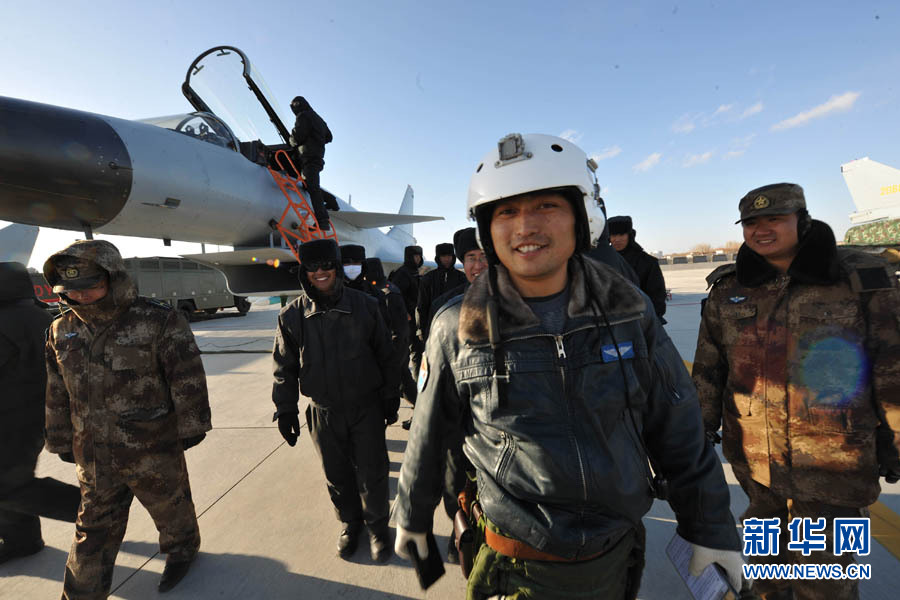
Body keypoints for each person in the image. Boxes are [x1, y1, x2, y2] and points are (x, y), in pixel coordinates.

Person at [392, 133, 743, 599]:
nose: (525, 227)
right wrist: (413, 517)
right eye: (507, 212)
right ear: (486, 229)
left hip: (614, 553)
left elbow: (678, 425)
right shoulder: (457, 326)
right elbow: (429, 435)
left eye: (546, 207)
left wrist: (710, 525)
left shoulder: (628, 310)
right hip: (515, 561)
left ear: (581, 219)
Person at [693, 183, 900, 600]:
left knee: (827, 580)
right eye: (752, 222)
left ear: (801, 220)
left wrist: (895, 441)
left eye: (775, 219)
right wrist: (696, 435)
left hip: (835, 460)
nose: (761, 230)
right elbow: (709, 369)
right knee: (767, 569)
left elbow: (891, 363)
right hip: (755, 462)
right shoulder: (729, 287)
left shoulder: (860, 276)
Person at [43, 240, 211, 597]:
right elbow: (58, 390)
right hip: (92, 453)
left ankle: (183, 549)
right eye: (71, 289)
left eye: (90, 286)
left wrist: (192, 424)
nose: (81, 296)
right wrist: (59, 438)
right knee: (91, 532)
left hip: (151, 446)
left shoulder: (157, 320)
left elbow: (187, 374)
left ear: (114, 278)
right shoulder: (61, 330)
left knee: (171, 509)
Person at [272, 239, 400, 563]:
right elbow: (283, 368)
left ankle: (378, 529)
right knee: (337, 475)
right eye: (312, 267)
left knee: (372, 473)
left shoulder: (366, 306)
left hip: (365, 406)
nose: (320, 272)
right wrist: (285, 410)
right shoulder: (292, 316)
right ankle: (349, 524)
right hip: (323, 411)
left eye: (327, 265)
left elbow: (386, 354)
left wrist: (389, 396)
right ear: (304, 272)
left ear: (337, 268)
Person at [0, 262, 81, 565]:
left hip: (11, 421)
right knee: (10, 479)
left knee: (9, 486)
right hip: (33, 415)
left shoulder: (5, 321)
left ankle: (93, 510)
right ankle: (22, 539)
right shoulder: (37, 314)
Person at [608, 215, 667, 320]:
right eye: (613, 235)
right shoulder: (603, 261)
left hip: (642, 321)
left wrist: (649, 322)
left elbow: (657, 297)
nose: (617, 239)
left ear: (629, 235)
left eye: (621, 234)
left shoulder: (647, 262)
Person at [289, 95, 333, 231]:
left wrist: (291, 140)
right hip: (318, 157)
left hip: (308, 157)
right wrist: (317, 140)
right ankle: (331, 202)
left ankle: (322, 221)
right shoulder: (318, 118)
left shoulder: (303, 116)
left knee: (312, 187)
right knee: (310, 185)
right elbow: (329, 137)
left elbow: (298, 137)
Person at [389, 245, 424, 406]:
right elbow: (394, 295)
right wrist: (404, 313)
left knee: (417, 356)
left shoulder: (415, 273)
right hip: (406, 324)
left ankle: (418, 392)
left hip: (415, 322)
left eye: (419, 256)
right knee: (406, 360)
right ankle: (412, 392)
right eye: (414, 256)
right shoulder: (403, 274)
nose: (417, 259)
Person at [416, 243, 467, 342]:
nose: (447, 259)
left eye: (449, 256)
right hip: (433, 327)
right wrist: (420, 329)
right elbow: (421, 306)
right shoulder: (428, 279)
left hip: (457, 329)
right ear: (438, 258)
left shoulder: (462, 278)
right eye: (443, 256)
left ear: (453, 257)